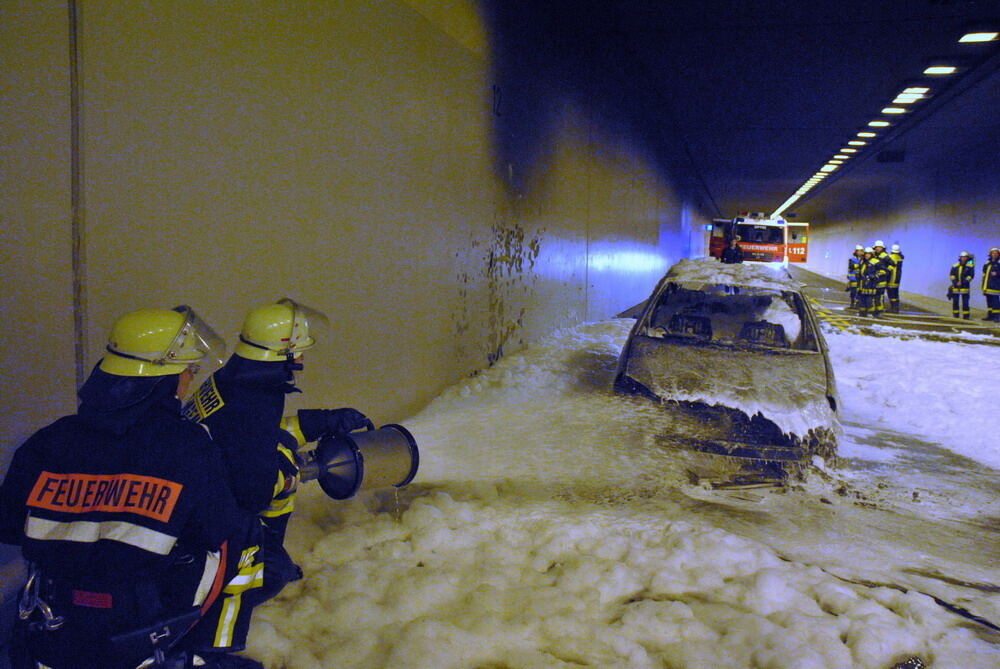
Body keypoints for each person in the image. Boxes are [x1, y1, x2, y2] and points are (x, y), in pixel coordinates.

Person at [0, 307, 256, 669]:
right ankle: (206, 650)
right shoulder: (187, 444)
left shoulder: (52, 438)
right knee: (244, 534)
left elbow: (8, 525)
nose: (189, 380)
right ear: (163, 381)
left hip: (52, 620)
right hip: (139, 622)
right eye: (188, 370)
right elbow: (214, 529)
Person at [181, 298, 369, 658]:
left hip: (198, 499)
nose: (303, 358)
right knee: (271, 573)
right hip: (206, 526)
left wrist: (324, 421)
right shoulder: (254, 398)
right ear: (285, 352)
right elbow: (254, 490)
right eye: (300, 350)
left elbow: (256, 436)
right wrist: (286, 470)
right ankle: (204, 650)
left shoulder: (240, 380)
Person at [856, 247, 886, 318]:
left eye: (869, 254)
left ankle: (872, 312)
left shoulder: (876, 261)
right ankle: (862, 312)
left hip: (871, 283)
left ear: (872, 254)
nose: (867, 255)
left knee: (870, 298)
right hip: (863, 282)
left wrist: (874, 276)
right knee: (862, 297)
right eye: (866, 254)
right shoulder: (863, 261)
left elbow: (883, 271)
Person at [871, 240, 895, 317]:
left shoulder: (885, 256)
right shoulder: (874, 255)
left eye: (879, 247)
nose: (878, 248)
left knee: (880, 295)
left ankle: (879, 310)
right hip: (875, 278)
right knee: (874, 294)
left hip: (882, 279)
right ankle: (875, 309)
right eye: (877, 247)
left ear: (882, 248)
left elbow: (892, 264)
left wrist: (887, 271)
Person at [948, 251, 975, 319]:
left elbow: (970, 276)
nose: (963, 258)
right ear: (960, 257)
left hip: (965, 287)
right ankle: (955, 314)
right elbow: (952, 275)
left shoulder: (970, 266)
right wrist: (955, 282)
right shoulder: (955, 266)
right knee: (955, 301)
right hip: (956, 287)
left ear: (967, 258)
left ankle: (966, 316)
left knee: (965, 302)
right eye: (962, 257)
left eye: (965, 257)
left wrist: (962, 282)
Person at [982, 247, 1000, 322]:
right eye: (992, 252)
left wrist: (997, 273)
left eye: (996, 252)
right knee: (989, 301)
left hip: (996, 286)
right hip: (987, 285)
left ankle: (997, 317)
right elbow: (984, 272)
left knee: (995, 302)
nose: (994, 254)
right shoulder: (988, 262)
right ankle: (990, 316)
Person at [886, 243, 905, 313]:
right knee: (896, 293)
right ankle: (896, 307)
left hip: (891, 278)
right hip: (897, 278)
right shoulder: (900, 257)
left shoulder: (890, 257)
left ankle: (893, 308)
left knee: (891, 294)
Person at [846, 245, 864, 309]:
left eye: (861, 251)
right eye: (858, 251)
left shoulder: (863, 260)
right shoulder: (852, 260)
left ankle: (857, 304)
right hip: (853, 279)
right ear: (856, 252)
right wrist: (860, 265)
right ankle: (852, 303)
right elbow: (852, 267)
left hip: (860, 279)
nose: (860, 252)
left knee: (859, 292)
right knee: (853, 292)